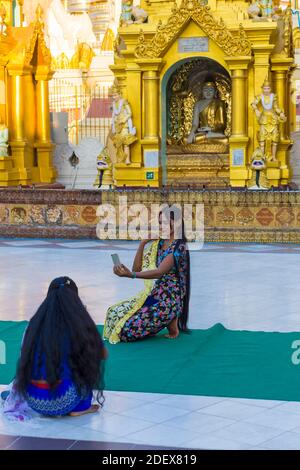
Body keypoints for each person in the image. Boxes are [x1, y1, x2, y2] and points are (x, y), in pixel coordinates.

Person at [11, 276, 107, 417]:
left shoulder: (34, 323)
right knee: (86, 359)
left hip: (33, 399)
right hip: (65, 399)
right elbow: (102, 354)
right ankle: (80, 407)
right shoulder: (79, 325)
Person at [104, 211, 190, 343]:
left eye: (166, 222)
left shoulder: (180, 246)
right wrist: (143, 243)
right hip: (156, 295)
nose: (162, 226)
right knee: (115, 315)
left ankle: (172, 316)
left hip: (170, 299)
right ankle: (170, 320)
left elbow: (158, 272)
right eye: (160, 223)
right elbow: (136, 269)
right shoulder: (159, 243)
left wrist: (130, 275)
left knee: (127, 331)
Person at [251, 78, 286, 161]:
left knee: (275, 139)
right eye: (264, 88)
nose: (266, 90)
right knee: (262, 139)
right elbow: (253, 104)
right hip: (264, 119)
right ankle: (262, 157)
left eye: (268, 88)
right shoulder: (260, 97)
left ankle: (273, 157)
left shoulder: (273, 96)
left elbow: (276, 107)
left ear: (270, 89)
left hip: (273, 119)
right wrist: (256, 109)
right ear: (262, 89)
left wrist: (280, 113)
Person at [186, 81, 226, 145]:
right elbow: (195, 124)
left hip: (215, 134)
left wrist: (210, 129)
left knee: (226, 141)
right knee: (185, 139)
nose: (208, 92)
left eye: (210, 90)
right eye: (205, 90)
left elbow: (222, 123)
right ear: (202, 92)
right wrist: (191, 134)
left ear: (215, 92)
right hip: (202, 133)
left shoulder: (219, 103)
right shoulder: (198, 104)